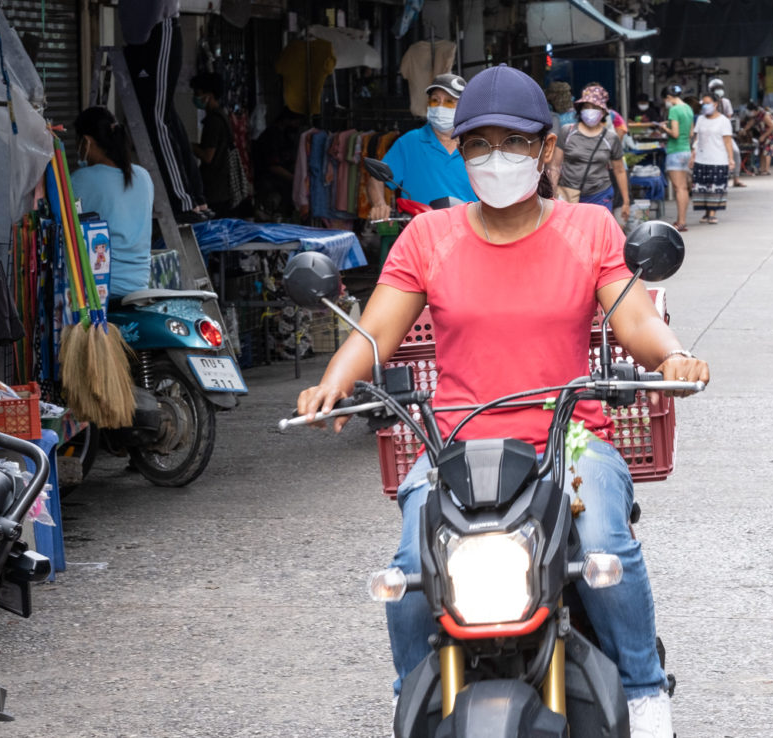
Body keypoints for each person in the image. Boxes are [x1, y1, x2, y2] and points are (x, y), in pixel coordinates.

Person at [296, 63, 709, 738]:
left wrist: (670, 357)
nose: (498, 157)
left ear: (546, 147)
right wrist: (332, 383)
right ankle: (414, 701)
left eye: (514, 142)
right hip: (455, 445)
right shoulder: (426, 238)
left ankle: (642, 692)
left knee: (606, 545)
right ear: (458, 149)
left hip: (570, 438)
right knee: (406, 568)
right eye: (479, 141)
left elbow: (632, 320)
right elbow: (374, 332)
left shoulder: (589, 229)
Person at [118, 0, 211, 223]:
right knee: (163, 116)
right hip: (143, 33)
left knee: (157, 119)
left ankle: (183, 200)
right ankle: (195, 199)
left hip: (158, 29)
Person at [70, 106, 155, 299]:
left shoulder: (81, 180)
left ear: (86, 141)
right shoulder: (143, 176)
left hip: (103, 289)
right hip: (139, 285)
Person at [366, 73, 476, 221]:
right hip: (419, 231)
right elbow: (376, 179)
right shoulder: (409, 142)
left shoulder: (477, 144)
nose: (440, 107)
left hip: (468, 230)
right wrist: (379, 204)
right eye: (435, 101)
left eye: (449, 102)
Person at [549, 83, 630, 222]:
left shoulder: (611, 138)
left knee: (597, 237)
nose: (590, 111)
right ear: (580, 109)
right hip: (569, 194)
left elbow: (620, 170)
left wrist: (626, 202)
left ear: (603, 112)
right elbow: (555, 166)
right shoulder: (567, 132)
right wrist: (551, 195)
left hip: (600, 195)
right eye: (586, 107)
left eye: (595, 107)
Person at [189, 71, 248, 218]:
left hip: (215, 190)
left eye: (198, 93)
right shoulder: (221, 116)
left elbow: (208, 156)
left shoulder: (213, 121)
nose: (195, 97)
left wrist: (187, 145)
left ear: (209, 95)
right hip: (223, 188)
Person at [690, 93, 736, 226]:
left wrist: (731, 159)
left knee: (715, 187)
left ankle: (712, 213)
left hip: (718, 159)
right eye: (703, 103)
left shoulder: (723, 121)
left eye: (708, 103)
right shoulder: (700, 119)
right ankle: (706, 212)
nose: (705, 106)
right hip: (701, 158)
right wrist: (693, 155)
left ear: (716, 104)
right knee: (702, 187)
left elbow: (728, 141)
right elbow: (697, 139)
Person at [659, 85, 693, 232]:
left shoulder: (674, 110)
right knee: (684, 188)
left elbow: (675, 134)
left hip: (675, 151)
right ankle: (682, 220)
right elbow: (691, 133)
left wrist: (664, 128)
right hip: (686, 150)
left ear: (668, 97)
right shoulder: (688, 108)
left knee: (678, 188)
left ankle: (681, 222)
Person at [708, 78, 746, 187]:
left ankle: (736, 179)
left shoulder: (726, 102)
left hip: (725, 134)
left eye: (720, 88)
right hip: (711, 134)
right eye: (716, 89)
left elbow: (729, 118)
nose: (719, 91)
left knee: (736, 152)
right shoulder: (708, 102)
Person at [742, 102, 773, 175]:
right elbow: (750, 123)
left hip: (770, 134)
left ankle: (767, 170)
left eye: (750, 111)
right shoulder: (756, 116)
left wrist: (764, 136)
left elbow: (772, 126)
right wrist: (744, 130)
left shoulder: (764, 115)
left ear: (754, 110)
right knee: (762, 152)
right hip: (763, 134)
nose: (749, 113)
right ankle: (762, 169)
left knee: (767, 151)